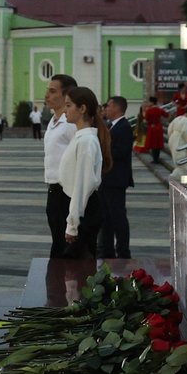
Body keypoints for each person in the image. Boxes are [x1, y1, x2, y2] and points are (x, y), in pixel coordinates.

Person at [57, 88, 110, 260]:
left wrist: (72, 225)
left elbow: (82, 185)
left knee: (80, 271)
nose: (65, 110)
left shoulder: (86, 141)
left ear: (82, 109)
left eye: (68, 105)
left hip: (83, 212)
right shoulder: (81, 138)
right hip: (79, 208)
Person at [40, 75, 77, 259]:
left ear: (66, 95)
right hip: (53, 189)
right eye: (48, 90)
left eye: (53, 91)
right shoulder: (53, 121)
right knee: (57, 240)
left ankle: (65, 286)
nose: (47, 95)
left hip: (67, 192)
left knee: (66, 247)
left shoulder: (70, 124)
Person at [95, 97, 134, 259]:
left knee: (118, 217)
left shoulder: (124, 127)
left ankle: (123, 251)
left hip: (116, 180)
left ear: (117, 108)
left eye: (109, 105)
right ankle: (107, 250)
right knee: (106, 218)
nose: (106, 108)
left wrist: (101, 154)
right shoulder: (111, 126)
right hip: (107, 179)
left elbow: (121, 152)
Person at [140, 96, 166, 165]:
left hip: (152, 128)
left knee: (153, 144)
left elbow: (145, 120)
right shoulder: (159, 110)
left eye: (149, 102)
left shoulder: (149, 110)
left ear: (152, 102)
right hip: (159, 127)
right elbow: (166, 115)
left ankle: (155, 159)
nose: (148, 103)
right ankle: (157, 158)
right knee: (158, 144)